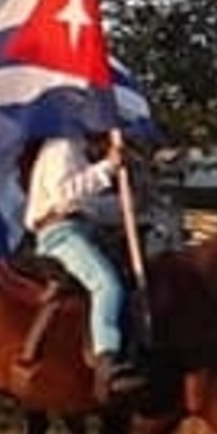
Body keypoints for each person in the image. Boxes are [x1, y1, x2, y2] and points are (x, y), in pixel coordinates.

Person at [23, 127, 148, 400]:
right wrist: (109, 167)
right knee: (107, 285)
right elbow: (63, 196)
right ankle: (107, 364)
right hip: (59, 234)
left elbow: (90, 207)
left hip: (83, 230)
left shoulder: (77, 153)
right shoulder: (62, 144)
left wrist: (132, 201)